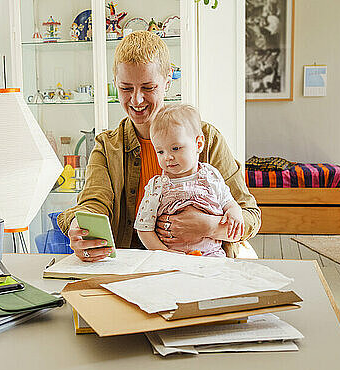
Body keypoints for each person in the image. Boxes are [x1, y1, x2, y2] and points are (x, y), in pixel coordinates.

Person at [57, 31, 260, 262]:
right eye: (125, 88)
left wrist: (209, 227)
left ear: (167, 80)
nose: (136, 100)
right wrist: (79, 225)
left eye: (148, 87)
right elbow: (94, 203)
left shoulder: (207, 138)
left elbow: (250, 215)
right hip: (130, 268)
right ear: (115, 82)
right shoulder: (107, 146)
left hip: (204, 268)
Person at [134, 104, 244, 257]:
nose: (167, 157)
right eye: (160, 151)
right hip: (173, 259)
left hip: (212, 256)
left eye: (176, 148)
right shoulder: (157, 187)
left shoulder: (210, 175)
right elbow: (143, 228)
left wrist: (235, 213)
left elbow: (229, 203)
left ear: (198, 144)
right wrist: (165, 253)